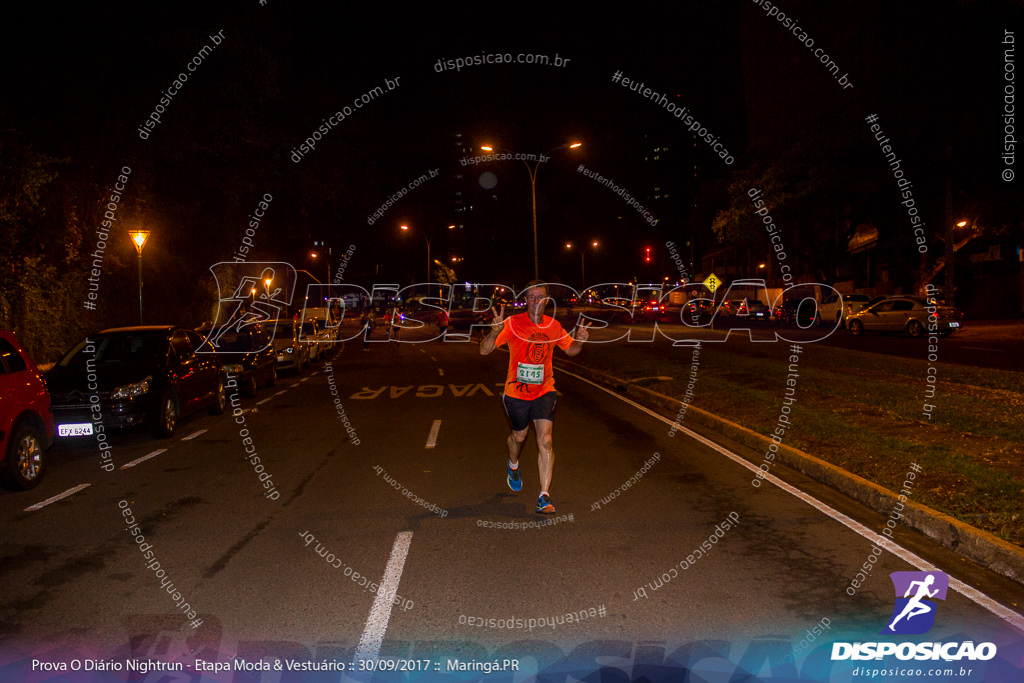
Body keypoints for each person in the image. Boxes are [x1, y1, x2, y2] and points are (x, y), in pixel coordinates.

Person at [479, 281, 590, 514]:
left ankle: (544, 496)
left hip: (544, 390)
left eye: (540, 296)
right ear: (525, 300)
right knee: (519, 438)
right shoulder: (512, 323)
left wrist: (580, 339)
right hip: (516, 393)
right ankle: (513, 465)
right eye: (531, 297)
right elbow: (484, 350)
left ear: (547, 301)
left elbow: (571, 350)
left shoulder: (553, 326)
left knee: (546, 439)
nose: (536, 301)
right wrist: (494, 331)